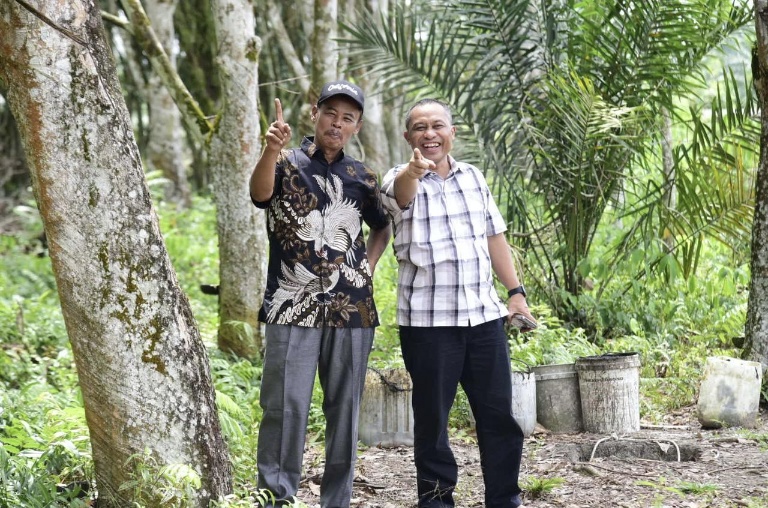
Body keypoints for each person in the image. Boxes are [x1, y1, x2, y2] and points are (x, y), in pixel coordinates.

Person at [380, 98, 537, 508]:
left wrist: (515, 293)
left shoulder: (474, 177)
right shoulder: (397, 178)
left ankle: (505, 500)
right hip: (428, 325)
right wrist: (414, 173)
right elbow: (401, 196)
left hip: (484, 319)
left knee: (499, 418)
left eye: (437, 126)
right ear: (408, 137)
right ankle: (435, 501)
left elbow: (494, 238)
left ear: (452, 132)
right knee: (432, 423)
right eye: (419, 127)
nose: (429, 133)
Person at [249, 80, 391, 507]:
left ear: (356, 127)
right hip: (291, 306)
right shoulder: (286, 161)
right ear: (316, 114)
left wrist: (364, 267)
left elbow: (382, 225)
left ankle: (337, 501)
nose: (337, 122)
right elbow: (259, 195)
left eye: (348, 117)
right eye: (331, 113)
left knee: (345, 410)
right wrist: (271, 148)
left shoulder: (362, 175)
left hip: (352, 310)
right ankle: (277, 497)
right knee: (283, 406)